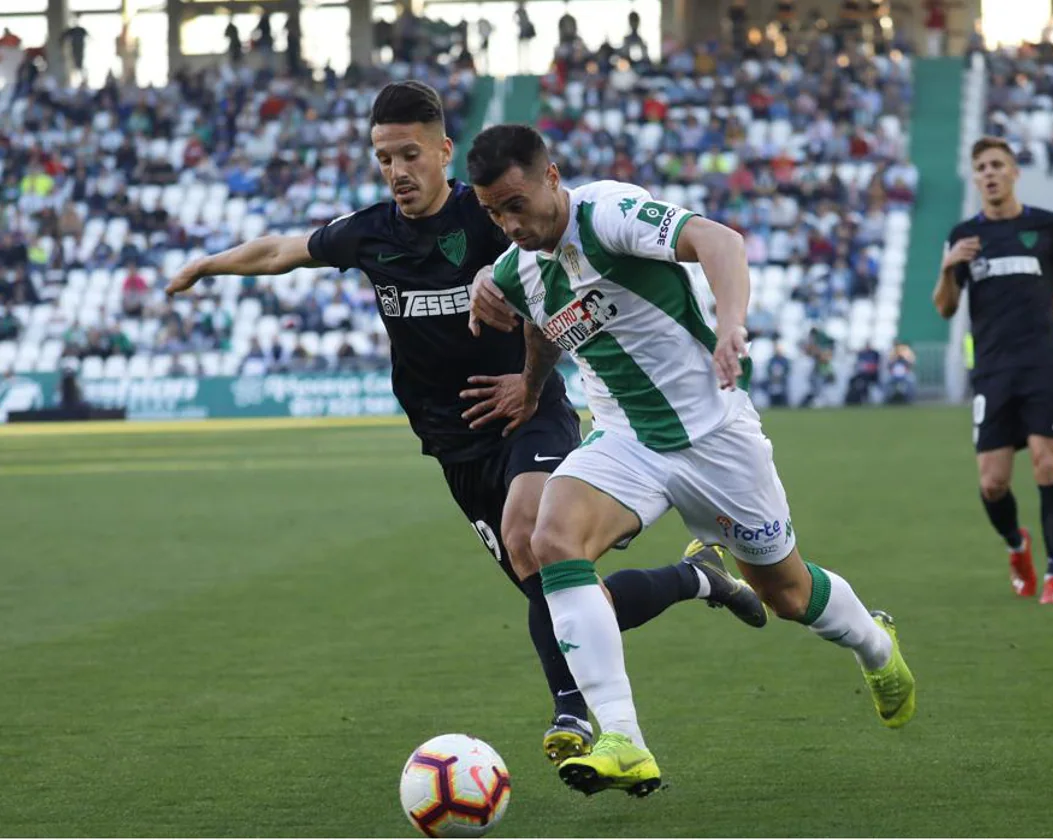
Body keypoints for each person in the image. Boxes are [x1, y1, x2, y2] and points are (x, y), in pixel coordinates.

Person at [165, 81, 765, 766]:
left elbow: (564, 263)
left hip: (528, 419)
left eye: (410, 155)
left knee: (534, 539)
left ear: (444, 151)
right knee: (563, 595)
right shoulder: (371, 234)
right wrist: (207, 266)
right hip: (455, 448)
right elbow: (281, 252)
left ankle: (573, 713)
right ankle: (698, 580)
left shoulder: (490, 216)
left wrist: (531, 380)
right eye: (384, 157)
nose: (397, 171)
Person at [467, 124, 916, 797]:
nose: (509, 224)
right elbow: (537, 318)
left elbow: (719, 240)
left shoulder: (606, 214)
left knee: (788, 595)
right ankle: (623, 737)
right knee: (550, 536)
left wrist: (732, 325)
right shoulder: (517, 267)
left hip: (715, 438)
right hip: (626, 441)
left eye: (516, 204)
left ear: (552, 177)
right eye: (493, 213)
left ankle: (877, 647)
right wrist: (532, 387)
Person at [933, 136, 1053, 606]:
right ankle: (1017, 546)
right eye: (981, 168)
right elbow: (946, 308)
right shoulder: (963, 237)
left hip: (1042, 365)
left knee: (1047, 463)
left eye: (997, 165)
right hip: (992, 371)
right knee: (993, 483)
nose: (989, 173)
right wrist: (949, 268)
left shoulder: (1048, 226)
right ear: (975, 179)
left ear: (1015, 172)